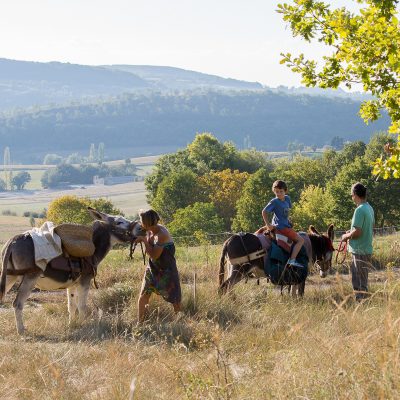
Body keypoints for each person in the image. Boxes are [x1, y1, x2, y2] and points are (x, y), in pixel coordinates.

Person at [135, 209, 182, 322]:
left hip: (167, 269)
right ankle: (140, 323)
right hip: (153, 268)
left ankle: (180, 322)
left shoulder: (162, 235)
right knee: (144, 294)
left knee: (174, 297)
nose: (140, 223)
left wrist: (144, 241)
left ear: (147, 223)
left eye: (142, 221)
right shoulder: (149, 230)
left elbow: (154, 255)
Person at [341, 182, 374, 301]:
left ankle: (360, 304)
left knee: (358, 281)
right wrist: (351, 231)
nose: (351, 197)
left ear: (355, 194)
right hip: (367, 249)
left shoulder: (359, 210)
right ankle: (364, 304)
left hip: (359, 250)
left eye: (351, 195)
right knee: (363, 281)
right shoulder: (369, 208)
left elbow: (358, 232)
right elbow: (365, 228)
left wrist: (346, 236)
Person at [262, 180, 304, 268]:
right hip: (282, 228)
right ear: (274, 191)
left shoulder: (287, 199)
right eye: (277, 192)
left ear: (285, 191)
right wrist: (268, 225)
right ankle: (292, 260)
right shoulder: (274, 201)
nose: (279, 194)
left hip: (285, 224)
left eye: (281, 191)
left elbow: (285, 212)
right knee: (301, 240)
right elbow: (264, 212)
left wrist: (288, 220)